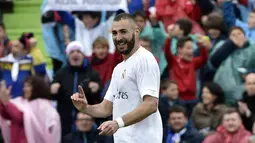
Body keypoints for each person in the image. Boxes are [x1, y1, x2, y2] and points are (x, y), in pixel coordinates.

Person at [71, 13, 162, 143]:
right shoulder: (118, 68)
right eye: (114, 33)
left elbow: (151, 104)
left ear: (136, 31)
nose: (118, 38)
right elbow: (106, 108)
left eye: (123, 32)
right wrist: (85, 108)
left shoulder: (145, 59)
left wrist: (117, 123)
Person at [51, 41, 102, 137]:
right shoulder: (60, 74)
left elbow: (100, 97)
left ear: (83, 55)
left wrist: (97, 89)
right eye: (72, 52)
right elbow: (52, 97)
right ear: (68, 56)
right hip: (65, 119)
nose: (75, 54)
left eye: (78, 51)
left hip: (86, 119)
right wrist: (52, 91)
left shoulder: (92, 73)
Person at [0, 76, 61, 143]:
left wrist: (6, 103)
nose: (25, 89)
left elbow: (21, 117)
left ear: (37, 88)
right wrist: (2, 103)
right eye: (24, 86)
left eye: (28, 86)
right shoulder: (19, 101)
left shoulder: (44, 106)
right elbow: (6, 115)